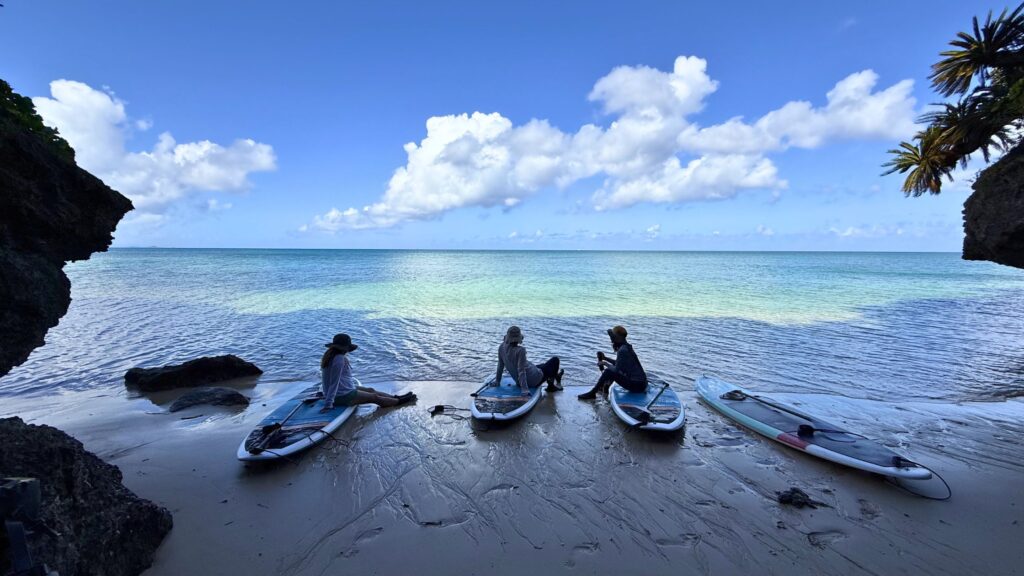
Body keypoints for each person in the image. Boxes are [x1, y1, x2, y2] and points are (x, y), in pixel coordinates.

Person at [320, 333, 415, 413]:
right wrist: (328, 404)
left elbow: (329, 380)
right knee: (374, 397)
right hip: (341, 395)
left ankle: (395, 397)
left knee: (371, 390)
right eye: (347, 348)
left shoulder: (330, 356)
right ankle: (398, 401)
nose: (348, 350)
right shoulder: (339, 359)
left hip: (343, 389)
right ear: (344, 348)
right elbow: (334, 382)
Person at [578, 325, 647, 400]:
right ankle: (602, 388)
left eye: (613, 337)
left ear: (619, 337)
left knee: (608, 371)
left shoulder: (622, 351)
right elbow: (619, 363)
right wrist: (605, 358)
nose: (611, 339)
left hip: (637, 386)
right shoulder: (627, 347)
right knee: (611, 371)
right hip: (642, 384)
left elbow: (616, 370)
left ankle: (592, 393)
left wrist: (605, 363)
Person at [495, 325, 564, 395]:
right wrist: (524, 389)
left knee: (542, 365)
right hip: (533, 381)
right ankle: (551, 385)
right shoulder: (520, 351)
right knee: (555, 360)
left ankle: (556, 377)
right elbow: (521, 371)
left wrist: (497, 381)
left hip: (521, 381)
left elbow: (500, 365)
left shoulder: (501, 347)